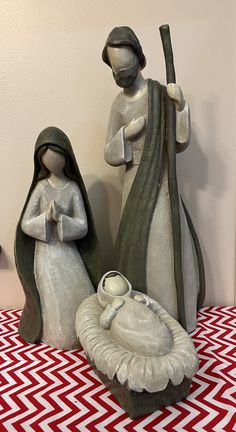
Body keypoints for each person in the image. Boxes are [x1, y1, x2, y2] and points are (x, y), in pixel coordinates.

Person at [102, 26, 205, 333]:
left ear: (140, 61)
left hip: (162, 183)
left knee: (167, 243)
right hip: (135, 185)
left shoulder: (159, 94)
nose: (121, 75)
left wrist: (181, 106)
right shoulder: (119, 105)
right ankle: (147, 317)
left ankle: (176, 313)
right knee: (141, 249)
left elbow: (179, 142)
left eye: (126, 68)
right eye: (115, 71)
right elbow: (109, 152)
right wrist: (126, 134)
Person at [15, 126, 101, 349]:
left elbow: (82, 226)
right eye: (48, 159)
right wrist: (45, 217)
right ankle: (56, 335)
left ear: (67, 158)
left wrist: (62, 218)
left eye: (57, 158)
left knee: (77, 292)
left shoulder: (72, 189)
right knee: (53, 298)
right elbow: (26, 223)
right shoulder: (41, 188)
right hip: (46, 255)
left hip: (68, 252)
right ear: (41, 162)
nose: (53, 163)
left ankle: (84, 333)